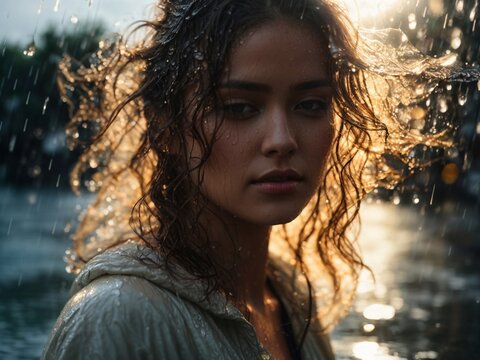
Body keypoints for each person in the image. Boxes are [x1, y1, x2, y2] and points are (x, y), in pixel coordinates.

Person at [42, 0, 469, 359]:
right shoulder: (116, 320)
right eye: (240, 108)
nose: (281, 140)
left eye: (310, 105)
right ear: (165, 128)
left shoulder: (290, 302)